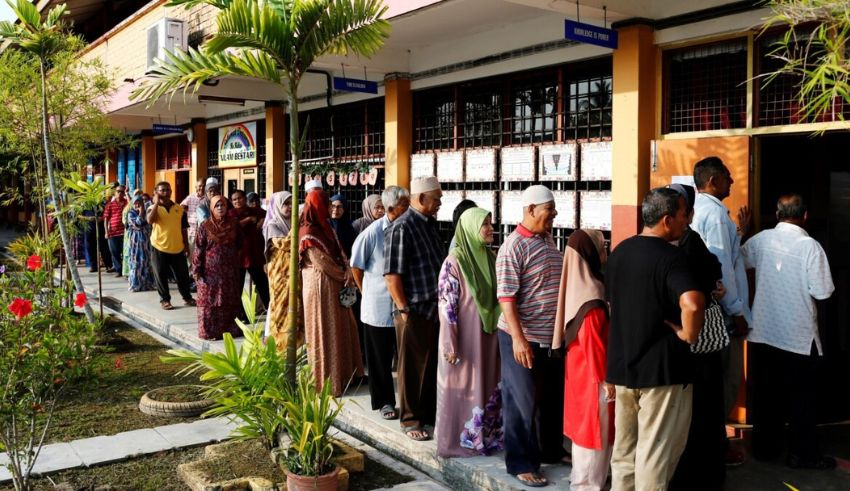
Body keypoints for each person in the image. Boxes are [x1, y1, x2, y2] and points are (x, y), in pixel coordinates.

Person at [606, 187, 705, 491]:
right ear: (666, 220)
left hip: (623, 368)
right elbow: (692, 303)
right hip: (661, 372)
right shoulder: (672, 257)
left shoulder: (620, 251)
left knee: (623, 453)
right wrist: (688, 334)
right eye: (682, 216)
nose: (685, 222)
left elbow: (612, 305)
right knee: (655, 455)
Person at [742, 194, 836, 470]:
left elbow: (740, 261)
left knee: (766, 397)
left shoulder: (760, 240)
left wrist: (744, 232)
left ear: (777, 213)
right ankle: (803, 454)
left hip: (763, 331)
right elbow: (822, 291)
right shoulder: (810, 247)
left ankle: (763, 449)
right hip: (798, 336)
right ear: (805, 215)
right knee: (802, 400)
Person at [496, 185, 564, 487]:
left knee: (549, 398)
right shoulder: (513, 246)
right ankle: (520, 462)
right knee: (521, 400)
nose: (555, 214)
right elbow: (506, 297)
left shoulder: (548, 239)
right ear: (531, 209)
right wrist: (519, 338)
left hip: (549, 338)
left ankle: (549, 450)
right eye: (549, 208)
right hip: (520, 336)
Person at [666, 184, 727, 491]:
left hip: (694, 339)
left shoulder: (688, 243)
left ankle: (699, 473)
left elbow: (707, 278)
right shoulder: (684, 243)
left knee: (697, 410)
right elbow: (713, 275)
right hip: (695, 341)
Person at [691, 156, 751, 463]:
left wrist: (738, 232)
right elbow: (721, 266)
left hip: (713, 310)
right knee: (726, 380)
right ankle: (716, 444)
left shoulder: (703, 211)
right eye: (728, 177)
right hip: (723, 313)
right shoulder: (713, 216)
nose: (733, 182)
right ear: (712, 181)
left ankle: (710, 441)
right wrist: (737, 310)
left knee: (713, 381)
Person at [435, 207, 502, 458]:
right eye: (484, 225)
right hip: (464, 338)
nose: (489, 229)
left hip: (488, 335)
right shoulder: (455, 261)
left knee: (486, 385)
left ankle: (487, 438)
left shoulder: (490, 256)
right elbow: (447, 306)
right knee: (462, 387)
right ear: (471, 228)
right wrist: (450, 344)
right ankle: (457, 442)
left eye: (490, 224)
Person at [384, 176, 447, 442]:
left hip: (433, 308)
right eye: (436, 199)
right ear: (421, 199)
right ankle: (410, 420)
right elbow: (392, 275)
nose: (440, 204)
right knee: (411, 369)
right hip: (414, 309)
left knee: (431, 366)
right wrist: (404, 308)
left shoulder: (430, 225)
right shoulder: (402, 227)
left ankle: (427, 414)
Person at [553, 228, 612, 491]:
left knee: (585, 434)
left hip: (579, 375)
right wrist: (607, 380)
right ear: (590, 254)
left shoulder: (577, 289)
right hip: (594, 379)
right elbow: (594, 346)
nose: (605, 252)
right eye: (601, 247)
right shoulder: (592, 298)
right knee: (593, 436)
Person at [350, 186, 410, 421]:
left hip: (404, 304)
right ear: (391, 209)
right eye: (405, 205)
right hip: (378, 304)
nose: (408, 209)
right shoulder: (372, 233)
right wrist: (366, 292)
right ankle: (385, 401)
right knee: (380, 359)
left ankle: (409, 402)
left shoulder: (408, 228)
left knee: (405, 356)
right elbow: (356, 266)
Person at [300, 189, 364, 397]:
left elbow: (340, 252)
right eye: (325, 203)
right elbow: (321, 262)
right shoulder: (308, 231)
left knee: (339, 329)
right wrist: (343, 274)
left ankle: (345, 375)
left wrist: (347, 270)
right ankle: (327, 381)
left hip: (336, 283)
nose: (329, 208)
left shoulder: (327, 227)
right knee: (324, 330)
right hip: (319, 287)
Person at [193, 195, 243, 340]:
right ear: (211, 208)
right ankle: (210, 332)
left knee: (229, 299)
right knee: (210, 300)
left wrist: (231, 258)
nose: (220, 208)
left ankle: (230, 330)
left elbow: (240, 243)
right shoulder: (205, 226)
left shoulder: (234, 224)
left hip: (229, 271)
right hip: (210, 271)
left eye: (223, 205)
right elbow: (198, 248)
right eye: (217, 206)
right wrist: (197, 269)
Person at [146, 181, 196, 310]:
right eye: (162, 190)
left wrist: (186, 246)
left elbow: (184, 229)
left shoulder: (179, 209)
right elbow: (150, 221)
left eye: (168, 190)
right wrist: (156, 203)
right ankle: (165, 300)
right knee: (161, 275)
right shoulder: (152, 208)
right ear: (156, 192)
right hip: (159, 247)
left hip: (177, 247)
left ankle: (187, 297)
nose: (165, 193)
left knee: (183, 275)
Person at [264, 191, 302, 349]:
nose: (289, 207)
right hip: (280, 275)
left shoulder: (293, 223)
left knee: (294, 309)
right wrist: (298, 225)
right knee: (279, 309)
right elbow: (286, 244)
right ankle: (278, 345)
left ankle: (295, 345)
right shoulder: (273, 225)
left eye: (291, 203)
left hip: (294, 274)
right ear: (278, 206)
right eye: (285, 204)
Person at [230, 189, 270, 308]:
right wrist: (248, 220)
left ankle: (271, 310)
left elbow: (270, 215)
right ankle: (241, 314)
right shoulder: (231, 214)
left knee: (262, 284)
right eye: (234, 199)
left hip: (255, 254)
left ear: (245, 199)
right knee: (238, 287)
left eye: (239, 198)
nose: (237, 201)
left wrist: (263, 221)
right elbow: (233, 227)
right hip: (238, 255)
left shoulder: (255, 211)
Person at [126, 195, 155, 292]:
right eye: (135, 203)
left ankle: (147, 284)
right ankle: (135, 285)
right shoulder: (131, 213)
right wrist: (141, 211)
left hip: (146, 242)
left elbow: (149, 224)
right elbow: (138, 223)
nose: (137, 205)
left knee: (146, 263)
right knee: (136, 262)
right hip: (136, 243)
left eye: (140, 203)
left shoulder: (148, 212)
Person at [103, 184, 128, 276]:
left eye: (122, 192)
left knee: (125, 252)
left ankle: (126, 271)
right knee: (115, 252)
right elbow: (106, 218)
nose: (120, 193)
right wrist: (106, 232)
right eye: (118, 191)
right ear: (115, 193)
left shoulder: (127, 203)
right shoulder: (110, 205)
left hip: (125, 232)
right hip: (113, 233)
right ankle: (118, 270)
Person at [181, 178, 206, 255]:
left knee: (202, 256)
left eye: (203, 186)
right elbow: (181, 206)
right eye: (199, 186)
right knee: (190, 255)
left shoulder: (208, 199)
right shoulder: (191, 197)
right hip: (191, 232)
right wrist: (185, 209)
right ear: (196, 187)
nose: (201, 188)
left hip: (203, 233)